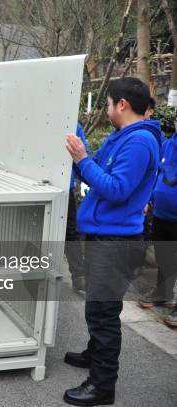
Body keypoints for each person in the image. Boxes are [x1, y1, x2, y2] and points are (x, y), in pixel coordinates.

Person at [63, 77, 162, 406]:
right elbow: (96, 174)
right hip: (103, 235)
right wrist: (81, 161)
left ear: (122, 105)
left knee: (102, 313)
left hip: (116, 240)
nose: (105, 109)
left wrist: (82, 160)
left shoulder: (139, 143)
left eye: (107, 103)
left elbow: (117, 189)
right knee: (98, 306)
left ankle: (102, 385)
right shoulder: (123, 137)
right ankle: (94, 355)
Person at [138, 118, 177, 326]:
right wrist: (148, 199)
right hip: (162, 213)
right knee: (164, 257)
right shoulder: (169, 145)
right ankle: (163, 293)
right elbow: (157, 175)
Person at [66, 123, 89, 294]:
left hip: (64, 187)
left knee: (71, 233)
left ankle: (78, 276)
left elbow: (83, 153)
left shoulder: (73, 124)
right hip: (36, 187)